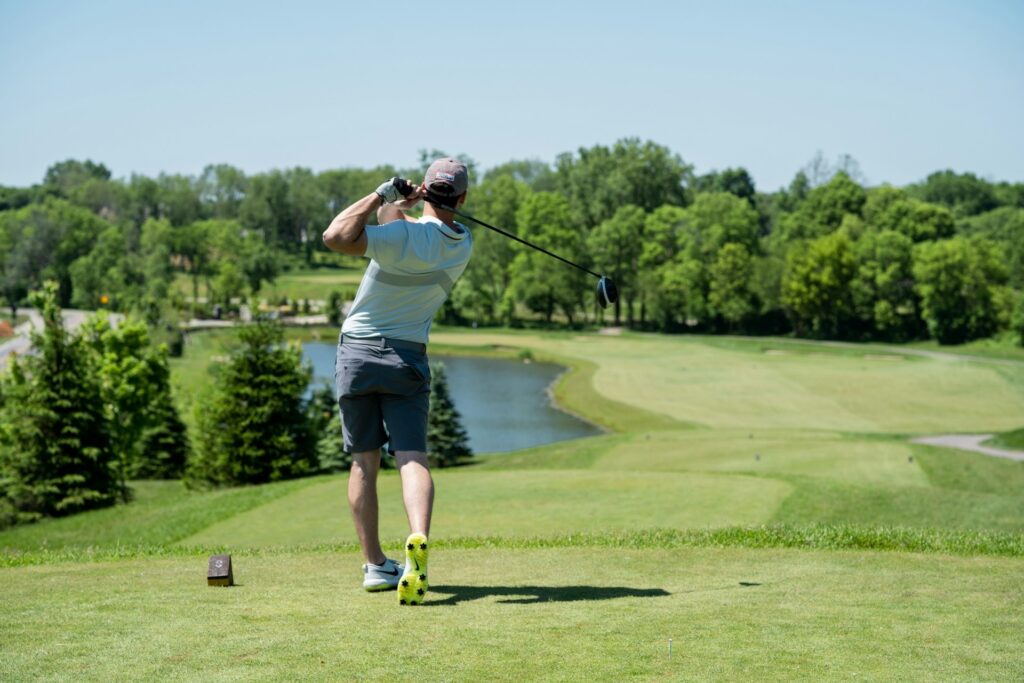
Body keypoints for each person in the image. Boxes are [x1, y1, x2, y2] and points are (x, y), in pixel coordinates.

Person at [322, 158, 473, 605]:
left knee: (364, 462)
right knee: (411, 457)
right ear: (462, 200)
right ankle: (417, 541)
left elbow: (336, 236)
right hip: (407, 357)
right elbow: (408, 232)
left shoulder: (398, 236)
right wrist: (404, 204)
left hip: (358, 354)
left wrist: (381, 195)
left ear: (426, 188)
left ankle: (374, 566)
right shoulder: (462, 244)